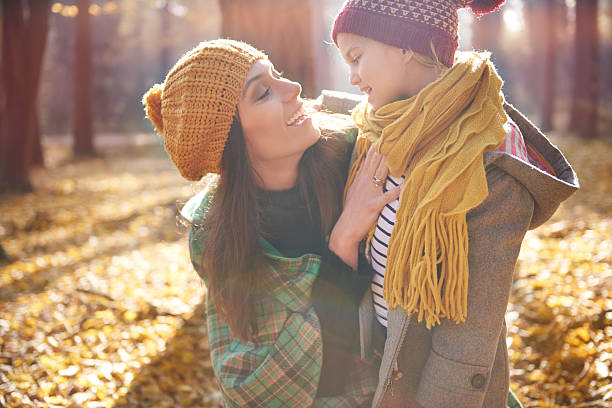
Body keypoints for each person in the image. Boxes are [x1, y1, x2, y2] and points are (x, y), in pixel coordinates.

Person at [329, 1, 579, 407]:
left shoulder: (485, 157)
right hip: (378, 369)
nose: (352, 77)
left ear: (403, 45)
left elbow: (467, 340)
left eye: (357, 57)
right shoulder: (382, 130)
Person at [142, 39, 403, 407]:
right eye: (264, 92)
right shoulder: (219, 238)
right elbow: (307, 380)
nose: (293, 88)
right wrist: (345, 238)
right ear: (232, 144)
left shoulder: (361, 147)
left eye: (276, 74)